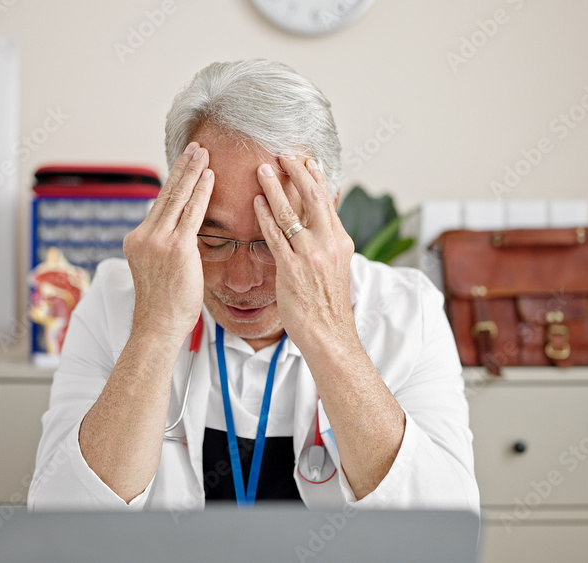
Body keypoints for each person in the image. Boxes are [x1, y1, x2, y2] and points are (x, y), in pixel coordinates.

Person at [28, 59, 479, 511]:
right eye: (213, 238)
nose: (242, 280)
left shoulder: (405, 310)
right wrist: (155, 328)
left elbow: (446, 531)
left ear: (330, 214)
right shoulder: (115, 298)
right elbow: (58, 523)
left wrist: (331, 333)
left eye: (275, 239)